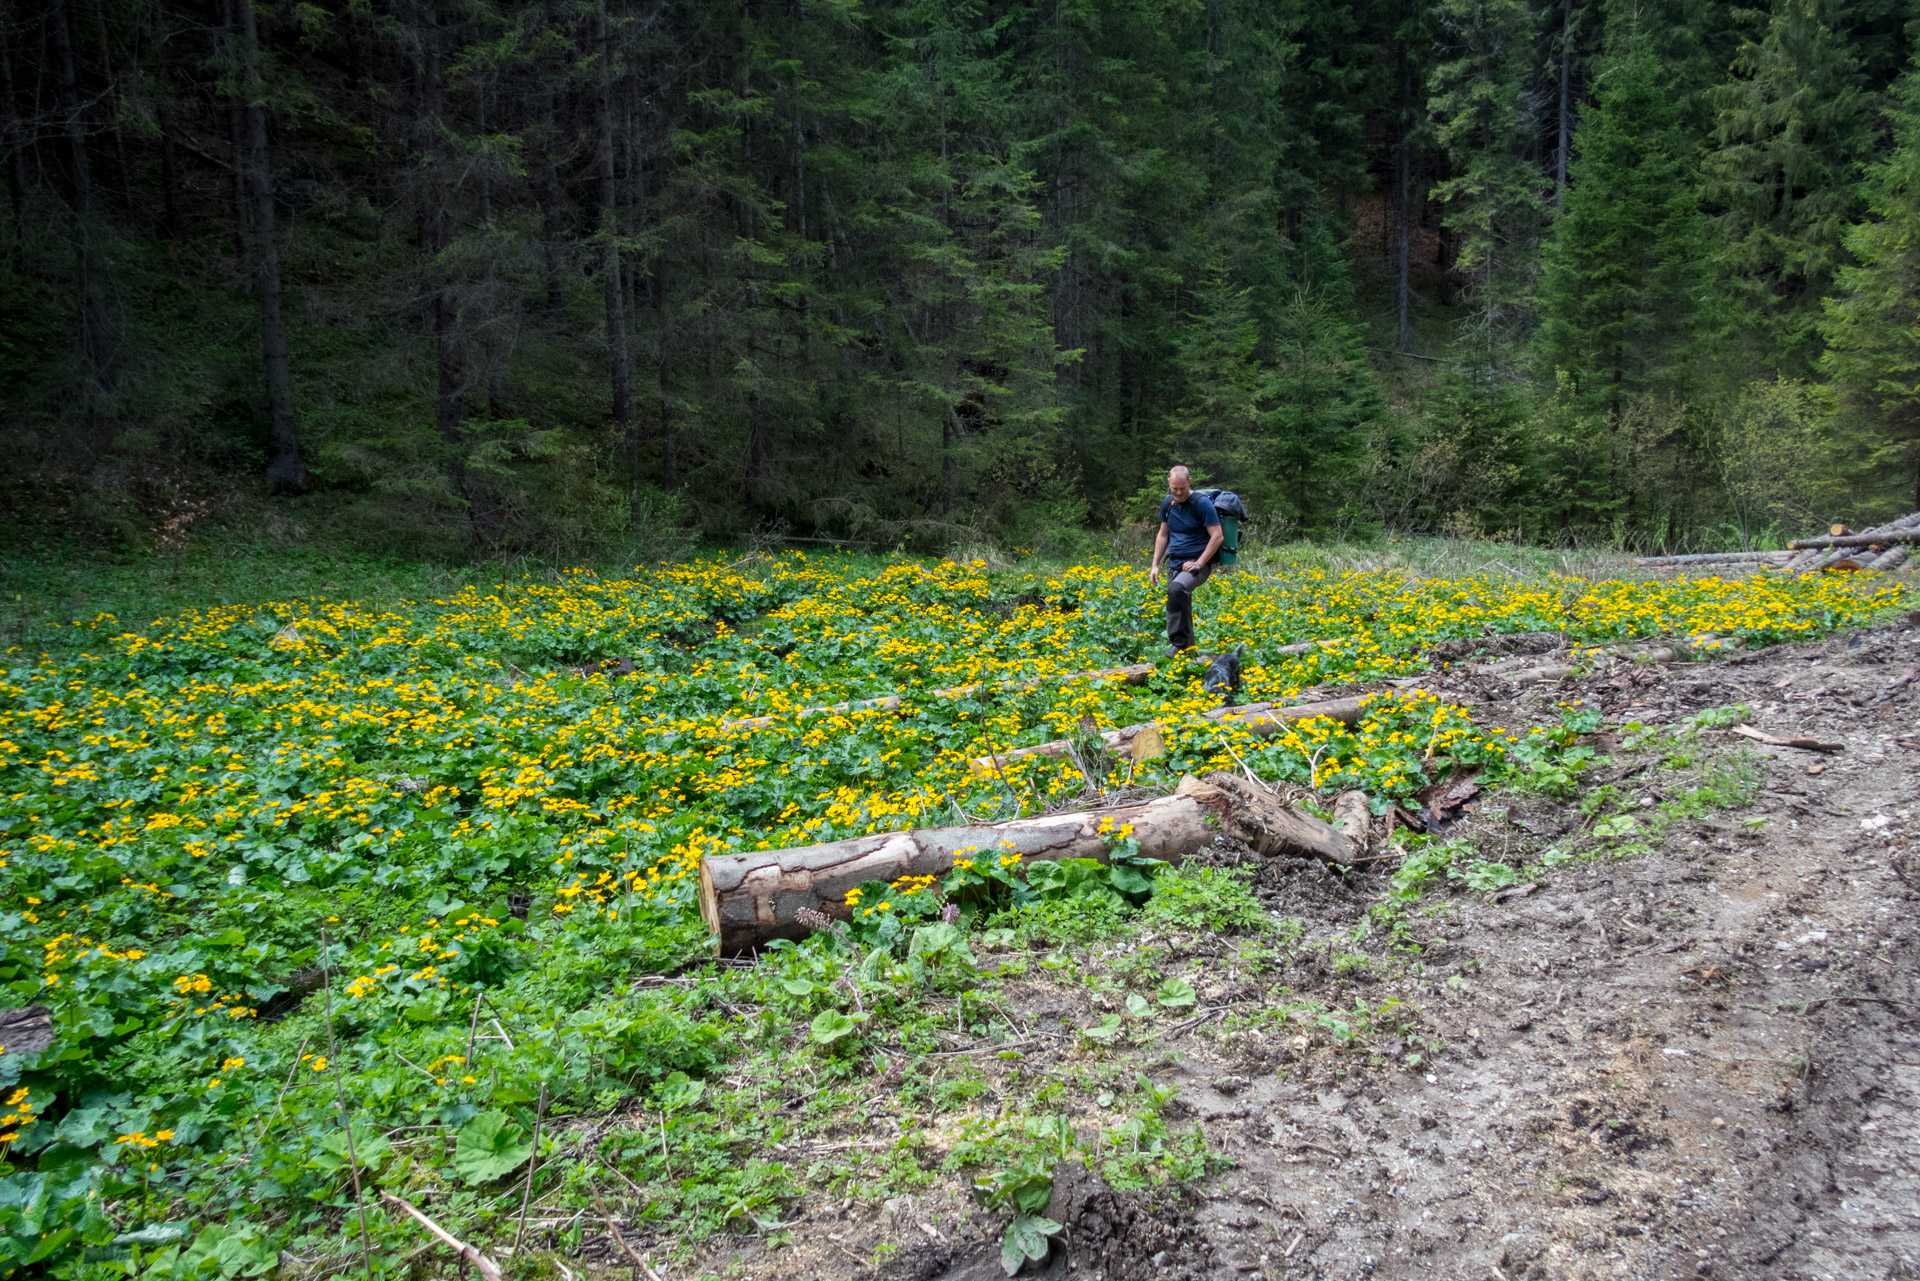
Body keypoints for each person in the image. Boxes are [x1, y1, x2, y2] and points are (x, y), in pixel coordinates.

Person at [1148, 466, 1224, 655]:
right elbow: (1163, 535)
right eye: (1175, 488)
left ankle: (1179, 645)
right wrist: (1155, 565)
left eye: (1182, 488)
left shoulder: (1202, 504)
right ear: (1169, 484)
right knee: (1179, 601)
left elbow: (1217, 536)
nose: (1179, 492)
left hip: (1199, 564)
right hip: (1175, 563)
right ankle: (1189, 652)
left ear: (1189, 482)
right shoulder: (1168, 503)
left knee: (1177, 589)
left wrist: (1199, 562)